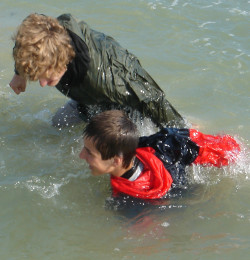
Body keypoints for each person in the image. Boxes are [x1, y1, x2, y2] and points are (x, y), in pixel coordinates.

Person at [9, 13, 185, 128]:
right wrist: (20, 74)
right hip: (86, 98)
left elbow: (152, 99)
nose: (42, 84)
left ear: (63, 62)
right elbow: (28, 32)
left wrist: (183, 132)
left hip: (123, 106)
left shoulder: (109, 79)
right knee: (57, 125)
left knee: (104, 152)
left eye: (47, 78)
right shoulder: (45, 37)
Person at [79, 110, 241, 200]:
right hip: (168, 144)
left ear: (116, 161)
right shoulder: (135, 145)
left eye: (89, 152)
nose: (81, 155)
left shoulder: (139, 196)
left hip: (174, 168)